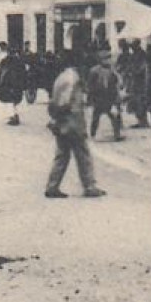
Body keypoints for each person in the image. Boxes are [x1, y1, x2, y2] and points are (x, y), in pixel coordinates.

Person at [44, 51, 105, 198]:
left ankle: (52, 186)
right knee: (83, 155)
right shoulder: (73, 78)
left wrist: (55, 118)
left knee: (62, 155)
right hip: (72, 123)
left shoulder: (61, 77)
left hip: (62, 122)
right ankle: (90, 186)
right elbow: (66, 102)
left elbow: (54, 102)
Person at [86, 52, 123, 141]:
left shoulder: (112, 71)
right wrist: (90, 97)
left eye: (109, 58)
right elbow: (90, 85)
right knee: (96, 117)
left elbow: (117, 83)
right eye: (106, 59)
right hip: (99, 97)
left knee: (114, 116)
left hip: (110, 97)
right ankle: (92, 133)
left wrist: (117, 95)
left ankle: (117, 134)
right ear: (100, 60)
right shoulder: (94, 71)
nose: (108, 61)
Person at [0, 43, 27, 127]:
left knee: (10, 100)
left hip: (9, 84)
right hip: (16, 84)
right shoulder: (18, 60)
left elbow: (0, 69)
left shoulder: (7, 60)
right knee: (13, 100)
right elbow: (23, 71)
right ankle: (14, 115)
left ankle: (14, 116)